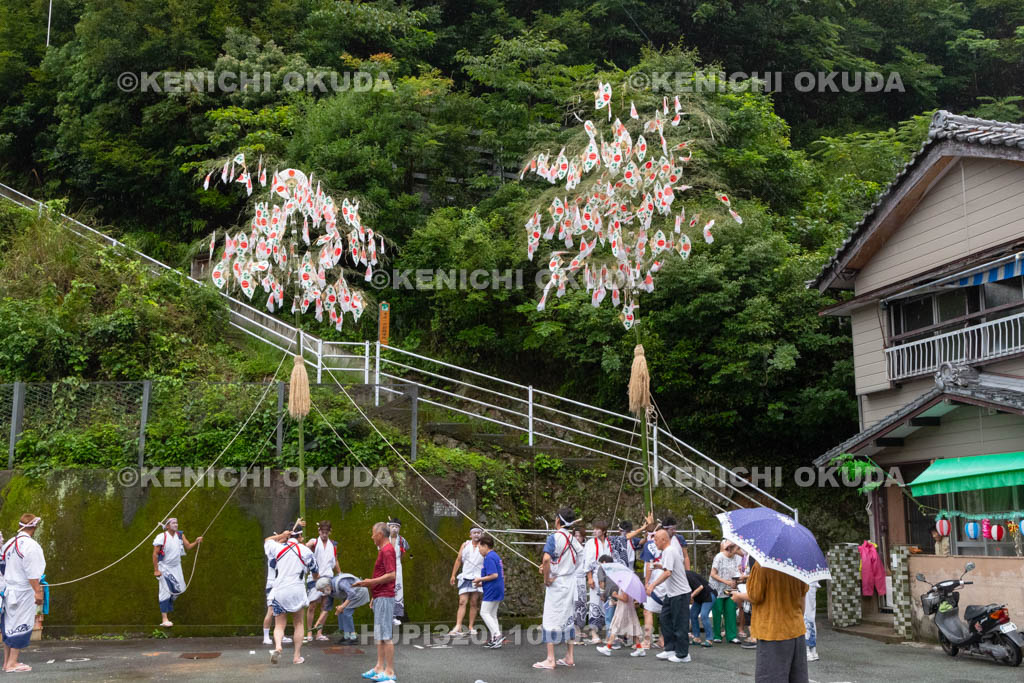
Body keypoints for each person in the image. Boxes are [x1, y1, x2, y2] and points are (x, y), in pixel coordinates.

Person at [730, 561, 809, 683]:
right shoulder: (797, 565)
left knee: (771, 677)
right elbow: (802, 597)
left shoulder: (763, 565)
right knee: (797, 677)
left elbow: (755, 595)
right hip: (796, 628)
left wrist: (738, 596)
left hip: (772, 631)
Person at [533, 507, 583, 670]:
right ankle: (569, 656)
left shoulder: (554, 537)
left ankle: (550, 659)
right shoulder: (575, 541)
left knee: (551, 617)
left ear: (557, 521)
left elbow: (547, 558)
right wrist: (555, 567)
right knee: (568, 617)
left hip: (556, 583)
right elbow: (574, 562)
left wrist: (547, 577)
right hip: (569, 582)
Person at [265, 522, 318, 665]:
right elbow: (315, 571)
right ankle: (296, 656)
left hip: (280, 590)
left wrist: (281, 536)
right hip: (297, 590)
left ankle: (278, 647)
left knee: (279, 625)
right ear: (300, 535)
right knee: (299, 623)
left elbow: (267, 541)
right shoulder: (306, 551)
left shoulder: (277, 548)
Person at [1, 514, 45, 673]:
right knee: (21, 624)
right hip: (23, 590)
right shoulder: (30, 546)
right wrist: (38, 592)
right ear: (33, 527)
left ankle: (7, 662)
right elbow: (32, 572)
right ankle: (12, 662)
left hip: (9, 589)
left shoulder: (8, 544)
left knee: (9, 625)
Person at [355, 522, 398, 682]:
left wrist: (370, 582)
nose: (372, 536)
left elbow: (392, 575)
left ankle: (390, 672)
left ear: (380, 534)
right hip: (381, 595)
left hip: (385, 596)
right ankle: (380, 667)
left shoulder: (387, 551)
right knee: (380, 635)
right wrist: (374, 594)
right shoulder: (384, 550)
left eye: (373, 533)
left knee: (386, 635)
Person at [645, 529, 691, 664]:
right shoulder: (666, 552)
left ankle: (683, 654)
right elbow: (667, 568)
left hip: (680, 594)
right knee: (665, 620)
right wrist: (659, 565)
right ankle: (670, 648)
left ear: (664, 540)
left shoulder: (670, 551)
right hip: (671, 594)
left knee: (679, 623)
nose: (654, 541)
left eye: (656, 539)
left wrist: (652, 585)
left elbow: (667, 573)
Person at [152, 518, 203, 627]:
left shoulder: (180, 535)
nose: (176, 524)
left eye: (176, 522)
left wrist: (196, 541)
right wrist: (156, 570)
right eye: (173, 523)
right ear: (167, 526)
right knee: (164, 591)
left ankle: (168, 603)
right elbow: (155, 554)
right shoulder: (162, 537)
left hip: (177, 567)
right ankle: (164, 619)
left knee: (181, 589)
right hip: (164, 567)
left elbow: (188, 546)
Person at [596, 558, 644, 657]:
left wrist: (616, 595)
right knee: (633, 628)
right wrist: (616, 602)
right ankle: (639, 648)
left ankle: (608, 647)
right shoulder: (626, 584)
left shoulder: (625, 585)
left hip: (623, 610)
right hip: (626, 608)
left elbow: (625, 599)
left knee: (615, 626)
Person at [314, 572, 370, 644]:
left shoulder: (340, 582)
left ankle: (353, 637)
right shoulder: (330, 591)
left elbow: (352, 593)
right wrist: (318, 622)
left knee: (346, 612)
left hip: (359, 592)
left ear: (327, 586)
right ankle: (346, 636)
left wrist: (342, 606)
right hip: (350, 595)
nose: (322, 592)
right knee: (341, 612)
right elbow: (326, 608)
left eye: (322, 590)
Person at [577, 520, 611, 643]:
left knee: (608, 603)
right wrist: (589, 577)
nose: (595, 531)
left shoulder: (609, 542)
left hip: (608, 576)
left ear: (604, 531)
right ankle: (593, 632)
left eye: (598, 529)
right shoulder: (591, 543)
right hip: (596, 574)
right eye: (594, 529)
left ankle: (608, 632)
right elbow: (587, 561)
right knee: (595, 603)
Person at [305, 521, 338, 642]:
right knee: (312, 605)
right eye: (322, 532)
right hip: (314, 578)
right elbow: (304, 547)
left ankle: (319, 632)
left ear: (329, 532)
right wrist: (307, 545)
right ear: (319, 531)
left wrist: (340, 573)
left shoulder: (333, 545)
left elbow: (336, 560)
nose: (324, 534)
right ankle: (309, 632)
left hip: (328, 578)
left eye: (326, 532)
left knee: (325, 605)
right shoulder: (314, 542)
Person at [472, 534, 506, 648]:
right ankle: (495, 639)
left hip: (492, 589)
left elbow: (494, 575)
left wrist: (480, 579)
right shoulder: (495, 556)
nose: (479, 550)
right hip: (497, 587)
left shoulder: (489, 557)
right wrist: (481, 582)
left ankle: (497, 635)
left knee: (484, 612)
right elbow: (495, 575)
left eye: (480, 547)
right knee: (492, 614)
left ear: (485, 546)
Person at [449, 527, 484, 636]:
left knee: (474, 602)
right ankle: (458, 626)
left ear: (481, 534)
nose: (476, 535)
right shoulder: (465, 545)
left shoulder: (484, 546)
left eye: (478, 533)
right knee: (462, 601)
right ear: (470, 535)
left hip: (477, 577)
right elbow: (459, 559)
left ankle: (470, 626)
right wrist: (453, 575)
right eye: (474, 533)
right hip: (465, 576)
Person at [262, 528, 294, 646]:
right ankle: (266, 637)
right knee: (271, 611)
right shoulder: (271, 549)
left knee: (282, 610)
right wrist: (282, 535)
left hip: (281, 584)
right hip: (272, 584)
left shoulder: (284, 549)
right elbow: (267, 540)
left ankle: (281, 634)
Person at [710, 540, 742, 644]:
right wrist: (727, 582)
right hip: (717, 588)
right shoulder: (719, 557)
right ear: (730, 549)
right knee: (717, 611)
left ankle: (731, 636)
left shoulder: (736, 558)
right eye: (737, 549)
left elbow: (737, 572)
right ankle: (717, 635)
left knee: (731, 610)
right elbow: (713, 574)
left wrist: (736, 581)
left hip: (730, 588)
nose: (738, 551)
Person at [387, 518, 410, 626]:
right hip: (385, 565)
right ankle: (386, 614)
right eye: (393, 526)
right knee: (385, 588)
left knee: (397, 589)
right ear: (389, 527)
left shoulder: (402, 540)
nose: (395, 529)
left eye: (397, 527)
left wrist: (397, 564)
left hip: (397, 565)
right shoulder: (384, 538)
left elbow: (403, 554)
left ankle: (395, 616)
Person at [687, 568, 714, 647]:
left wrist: (690, 596)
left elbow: (700, 587)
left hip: (709, 595)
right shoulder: (680, 576)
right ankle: (697, 638)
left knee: (704, 615)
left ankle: (709, 639)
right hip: (699, 598)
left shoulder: (687, 575)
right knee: (693, 615)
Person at [804, 581, 820, 662]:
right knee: (810, 616)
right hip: (811, 583)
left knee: (806, 616)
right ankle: (812, 648)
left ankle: (807, 649)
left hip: (807, 584)